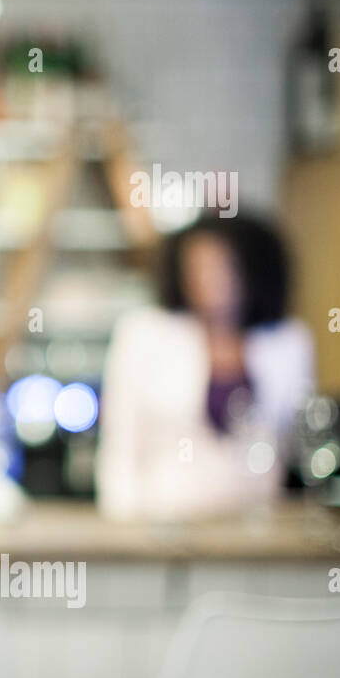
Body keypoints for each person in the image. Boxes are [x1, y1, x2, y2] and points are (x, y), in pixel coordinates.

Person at [95, 209, 316, 522]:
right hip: (163, 520)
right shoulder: (145, 333)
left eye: (220, 266)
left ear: (250, 270)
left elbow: (302, 443)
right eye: (196, 267)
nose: (206, 279)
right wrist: (122, 525)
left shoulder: (288, 342)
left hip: (257, 520)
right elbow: (119, 443)